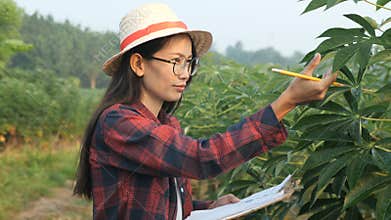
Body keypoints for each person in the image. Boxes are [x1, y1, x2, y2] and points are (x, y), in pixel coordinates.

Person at [73, 3, 337, 220]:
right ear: (139, 64)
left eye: (189, 63)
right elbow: (203, 159)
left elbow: (159, 201)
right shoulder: (118, 123)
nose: (185, 74)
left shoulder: (167, 124)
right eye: (175, 62)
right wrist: (287, 101)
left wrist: (207, 207)